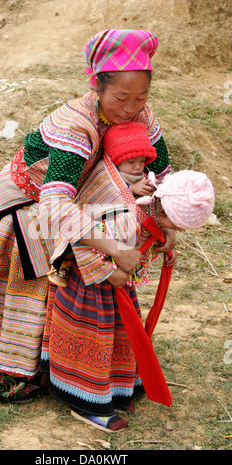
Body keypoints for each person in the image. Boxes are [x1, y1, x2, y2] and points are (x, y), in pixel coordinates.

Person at [0, 29, 175, 403]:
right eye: (121, 97)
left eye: (140, 97)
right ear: (97, 86)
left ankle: (67, 369)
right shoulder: (74, 124)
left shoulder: (141, 115)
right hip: (28, 206)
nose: (130, 108)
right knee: (32, 288)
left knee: (75, 274)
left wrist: (167, 224)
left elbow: (164, 174)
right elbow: (54, 207)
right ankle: (16, 365)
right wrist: (113, 247)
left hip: (80, 205)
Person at [40, 122, 215, 432]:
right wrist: (111, 271)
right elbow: (81, 242)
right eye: (175, 225)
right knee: (92, 337)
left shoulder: (144, 208)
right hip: (89, 287)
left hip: (116, 285)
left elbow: (143, 239)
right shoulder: (122, 215)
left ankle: (115, 390)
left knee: (118, 335)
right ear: (165, 212)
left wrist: (161, 246)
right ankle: (87, 402)